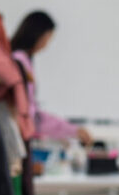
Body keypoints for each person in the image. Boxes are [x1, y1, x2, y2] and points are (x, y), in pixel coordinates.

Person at [10, 10, 92, 146]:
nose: (45, 45)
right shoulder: (20, 61)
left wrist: (66, 132)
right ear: (37, 35)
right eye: (47, 39)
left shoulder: (22, 60)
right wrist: (71, 130)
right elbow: (32, 117)